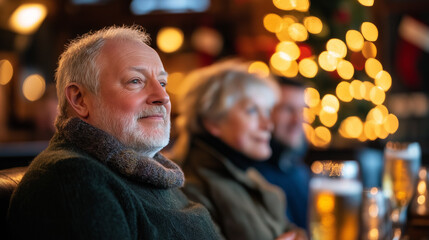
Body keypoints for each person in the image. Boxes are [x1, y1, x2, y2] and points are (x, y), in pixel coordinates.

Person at [7, 25, 222, 240]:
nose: (163, 97)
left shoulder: (155, 174)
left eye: (162, 83)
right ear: (79, 99)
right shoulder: (73, 177)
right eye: (135, 81)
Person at [171, 61, 307, 240]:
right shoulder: (188, 187)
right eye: (252, 111)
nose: (268, 125)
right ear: (213, 121)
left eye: (266, 112)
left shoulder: (249, 177)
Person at [250, 76, 311, 230]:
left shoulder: (299, 171)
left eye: (302, 110)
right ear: (266, 113)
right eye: (288, 109)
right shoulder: (253, 177)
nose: (298, 120)